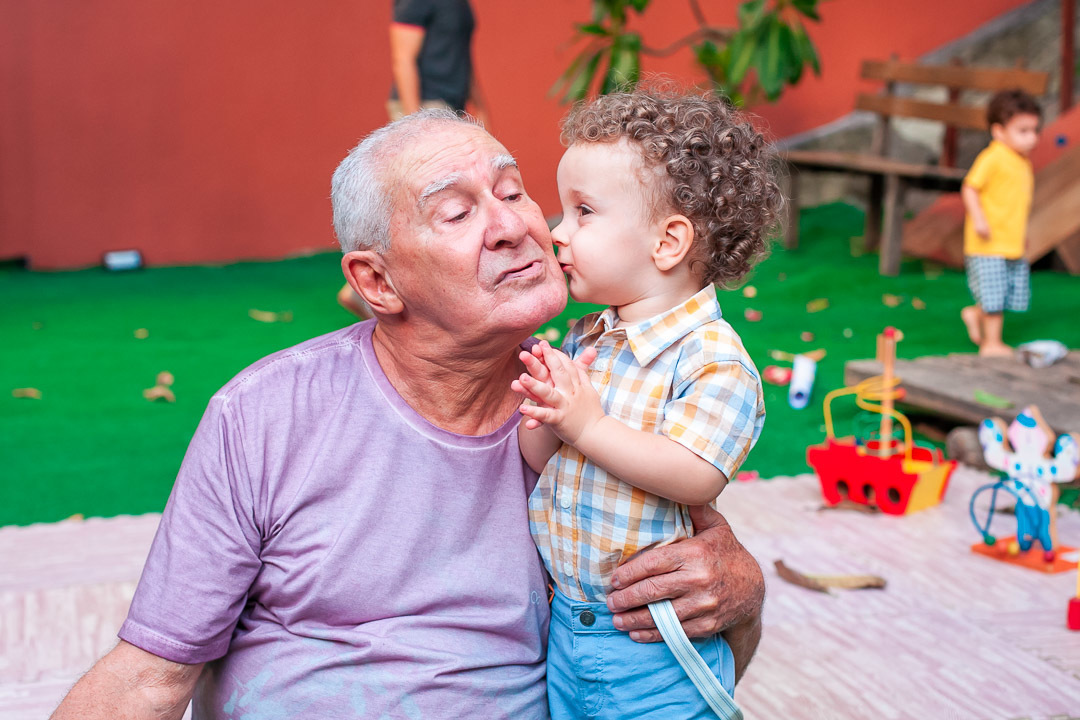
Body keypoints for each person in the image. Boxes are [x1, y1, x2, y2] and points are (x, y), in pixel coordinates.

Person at [50, 109, 767, 720]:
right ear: (376, 281)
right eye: (456, 212)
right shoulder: (264, 416)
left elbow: (689, 657)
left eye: (514, 193)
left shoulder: (602, 402)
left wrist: (742, 589)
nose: (515, 227)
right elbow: (148, 675)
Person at [513, 90, 777, 719]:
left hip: (652, 644)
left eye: (584, 213)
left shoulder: (710, 359)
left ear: (668, 242)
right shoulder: (590, 338)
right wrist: (547, 414)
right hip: (566, 627)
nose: (557, 232)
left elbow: (695, 472)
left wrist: (589, 423)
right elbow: (537, 458)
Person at [338, 0, 490, 319]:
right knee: (425, 209)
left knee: (442, 208)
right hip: (423, 107)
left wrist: (479, 105)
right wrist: (414, 124)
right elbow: (402, 58)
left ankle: (360, 292)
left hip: (451, 108)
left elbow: (462, 54)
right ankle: (366, 288)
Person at [960, 89, 1041, 358]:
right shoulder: (993, 157)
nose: (1032, 137)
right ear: (998, 131)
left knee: (1007, 294)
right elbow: (970, 187)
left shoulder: (1023, 163)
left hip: (1011, 241)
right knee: (994, 295)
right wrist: (979, 219)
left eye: (1034, 130)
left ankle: (974, 313)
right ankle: (991, 343)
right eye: (1023, 130)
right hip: (988, 242)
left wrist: (1022, 235)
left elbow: (1016, 206)